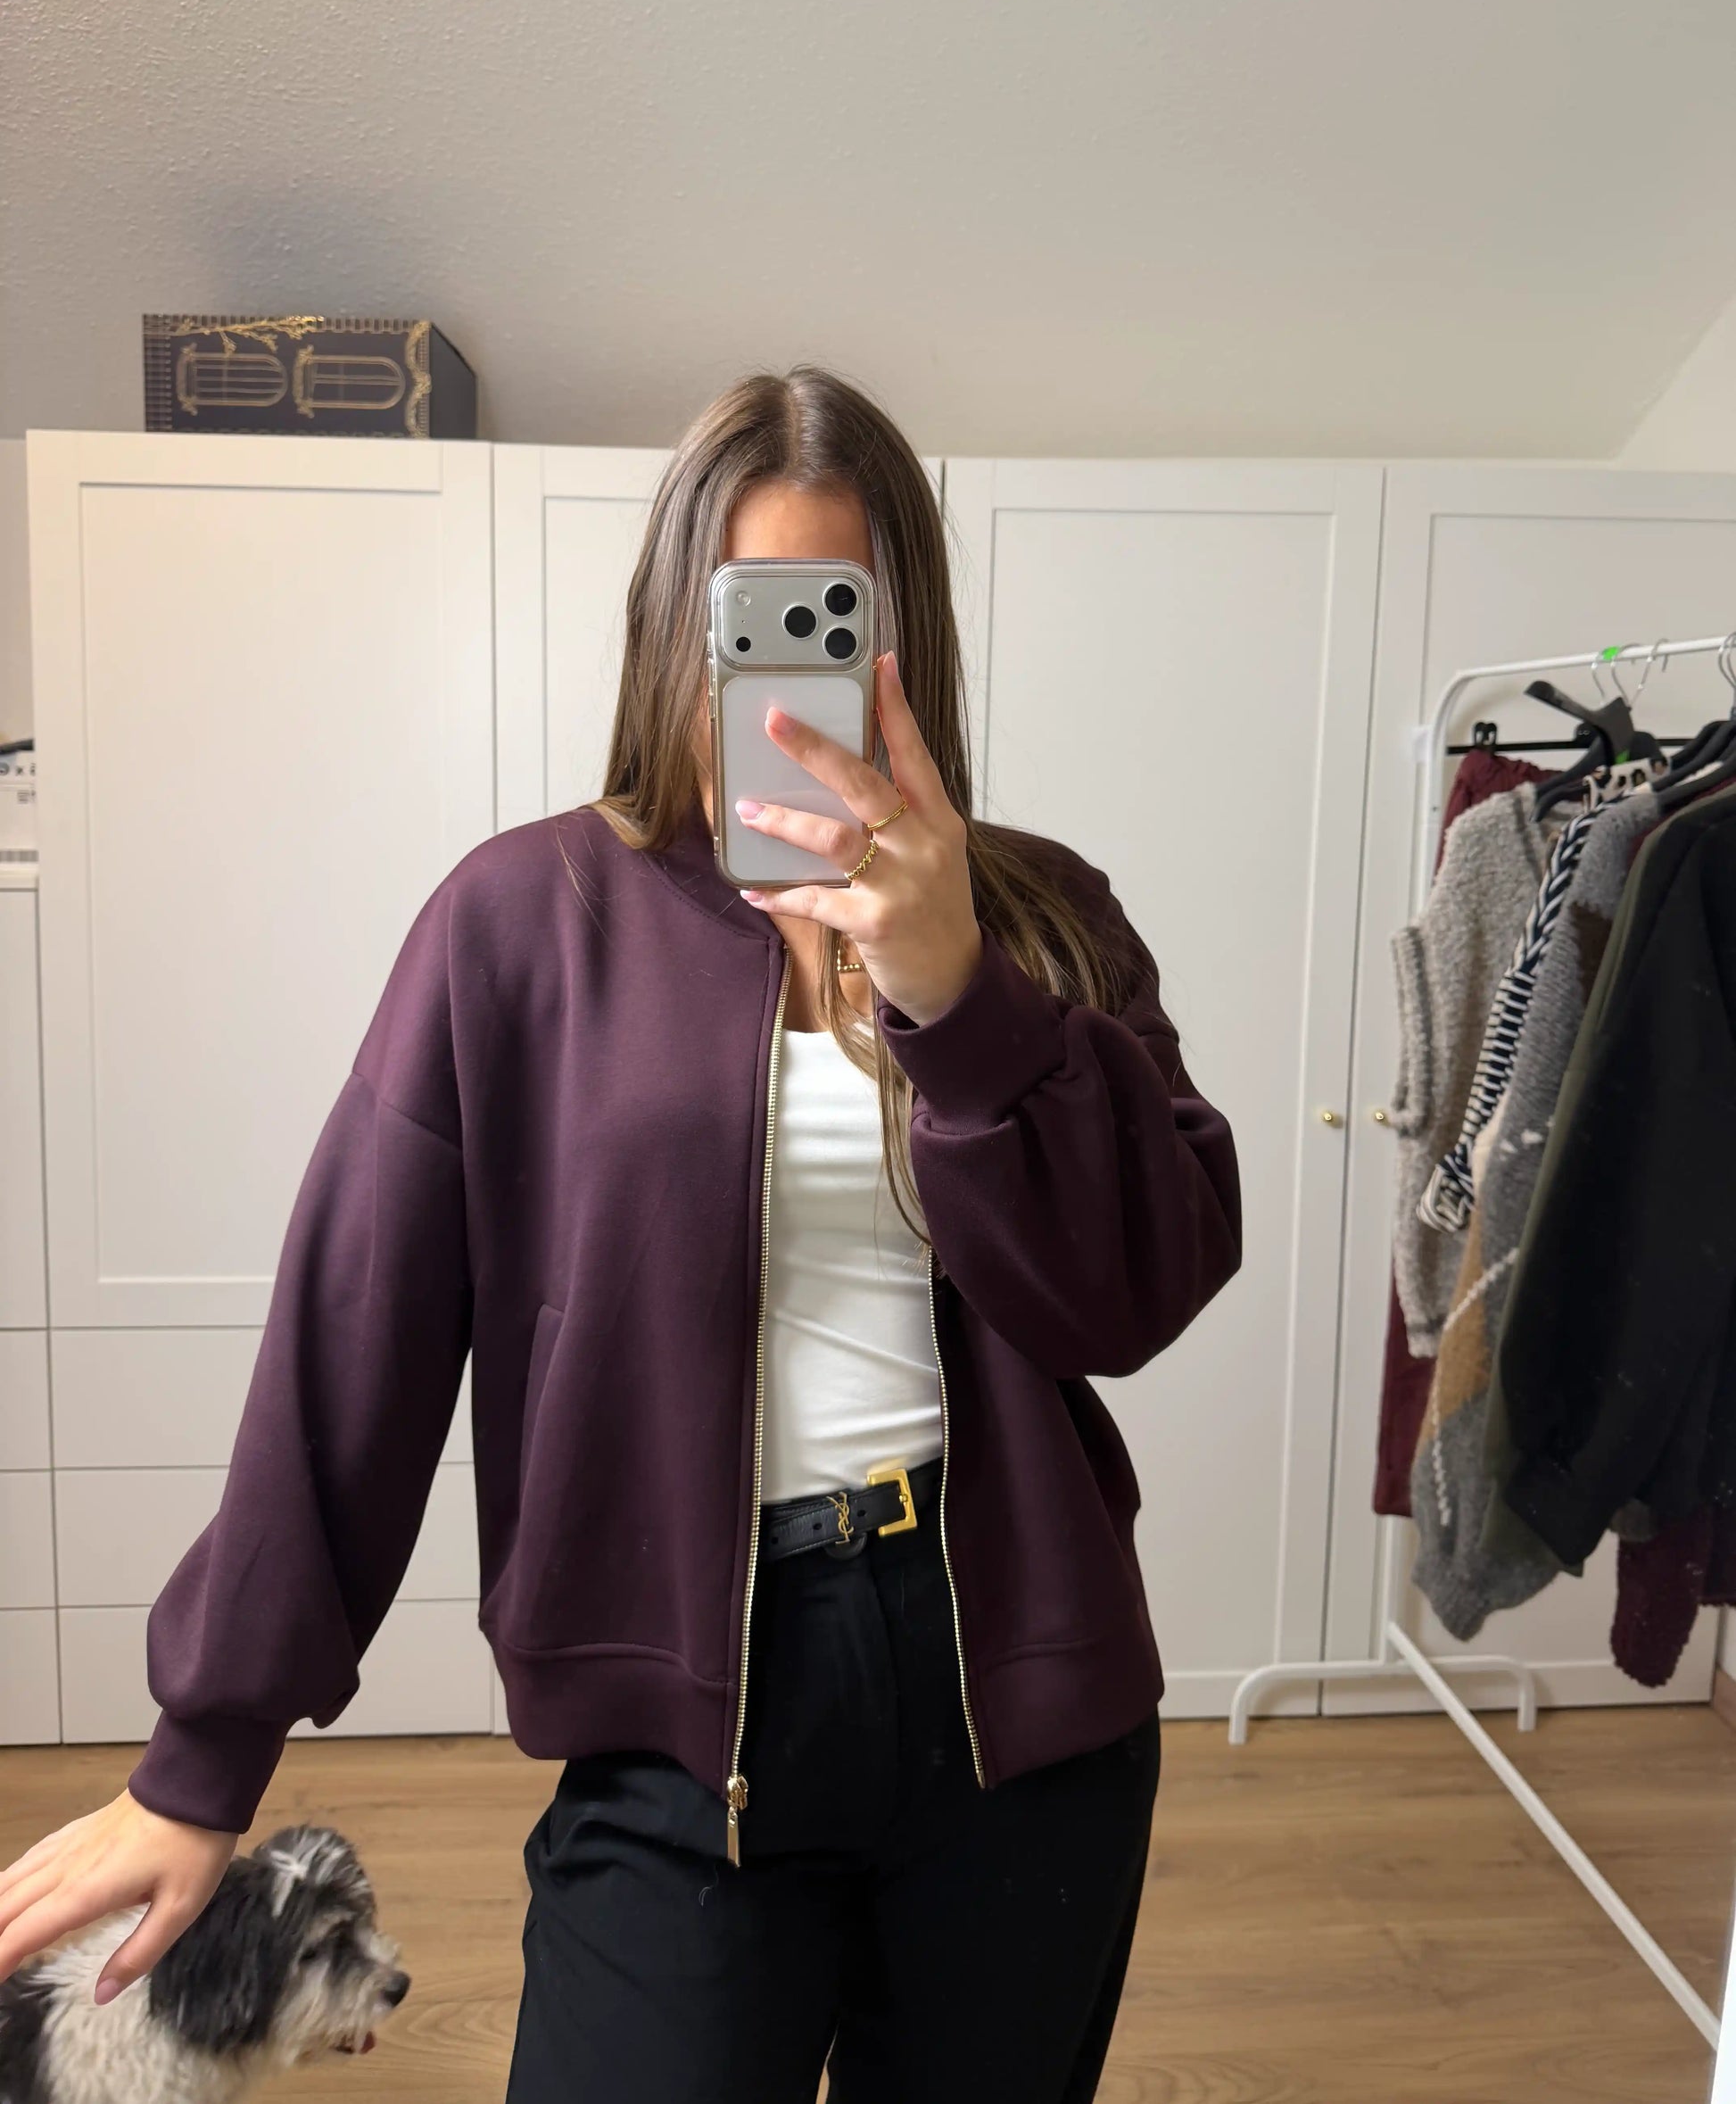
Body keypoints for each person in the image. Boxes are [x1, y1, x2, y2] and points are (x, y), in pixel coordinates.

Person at [0, 366, 1241, 2100]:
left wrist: (956, 988)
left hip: (1018, 1700)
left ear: (905, 637)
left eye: (833, 614)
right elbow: (355, 1335)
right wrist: (205, 1751)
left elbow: (1140, 1287)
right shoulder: (522, 922)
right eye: (749, 616)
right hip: (681, 1718)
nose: (784, 672)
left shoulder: (1036, 913)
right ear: (677, 627)